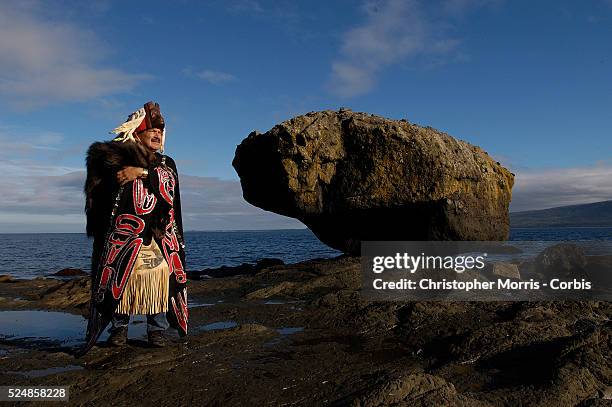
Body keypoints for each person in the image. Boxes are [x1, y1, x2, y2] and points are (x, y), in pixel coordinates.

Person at [77, 101, 188, 356]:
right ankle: (119, 329)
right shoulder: (115, 158)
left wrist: (140, 172)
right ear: (137, 132)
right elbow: (106, 180)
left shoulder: (165, 162)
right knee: (121, 277)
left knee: (159, 279)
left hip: (158, 235)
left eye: (161, 131)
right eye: (152, 131)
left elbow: (168, 185)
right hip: (124, 235)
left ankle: (156, 329)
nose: (158, 135)